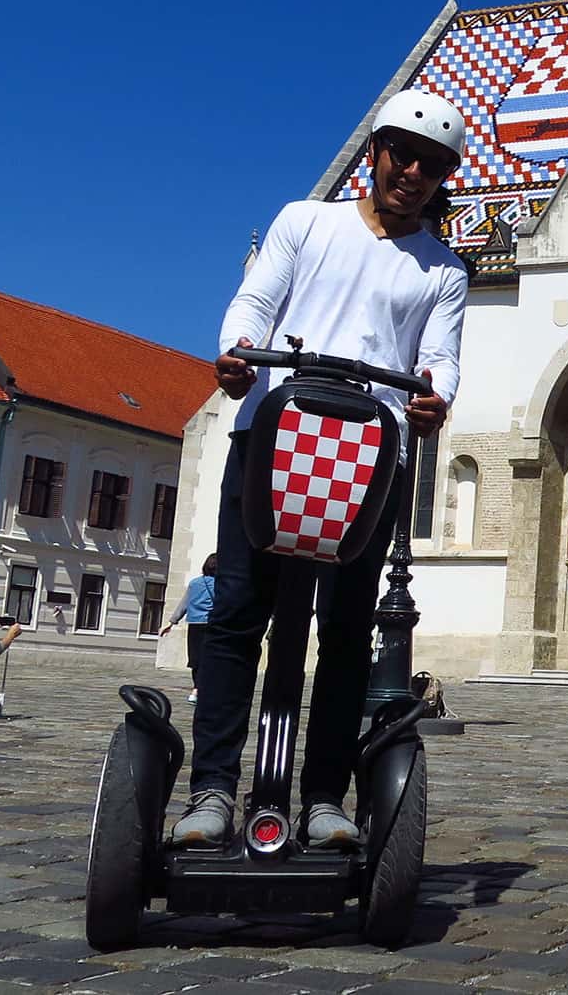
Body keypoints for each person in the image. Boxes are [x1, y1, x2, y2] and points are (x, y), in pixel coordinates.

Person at [173, 88, 469, 849]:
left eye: (432, 165)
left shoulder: (442, 269)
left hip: (368, 458)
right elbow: (255, 301)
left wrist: (435, 400)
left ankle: (324, 799)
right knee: (239, 614)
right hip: (275, 439)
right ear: (374, 153)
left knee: (343, 632)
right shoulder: (305, 221)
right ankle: (211, 791)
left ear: (443, 178)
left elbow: (438, 359)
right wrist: (237, 355)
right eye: (402, 153)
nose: (412, 172)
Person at [158, 553, 219, 704]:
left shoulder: (194, 583)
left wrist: (171, 622)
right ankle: (203, 690)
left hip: (194, 625)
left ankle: (196, 689)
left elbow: (184, 604)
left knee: (196, 659)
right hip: (211, 624)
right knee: (210, 658)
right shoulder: (219, 584)